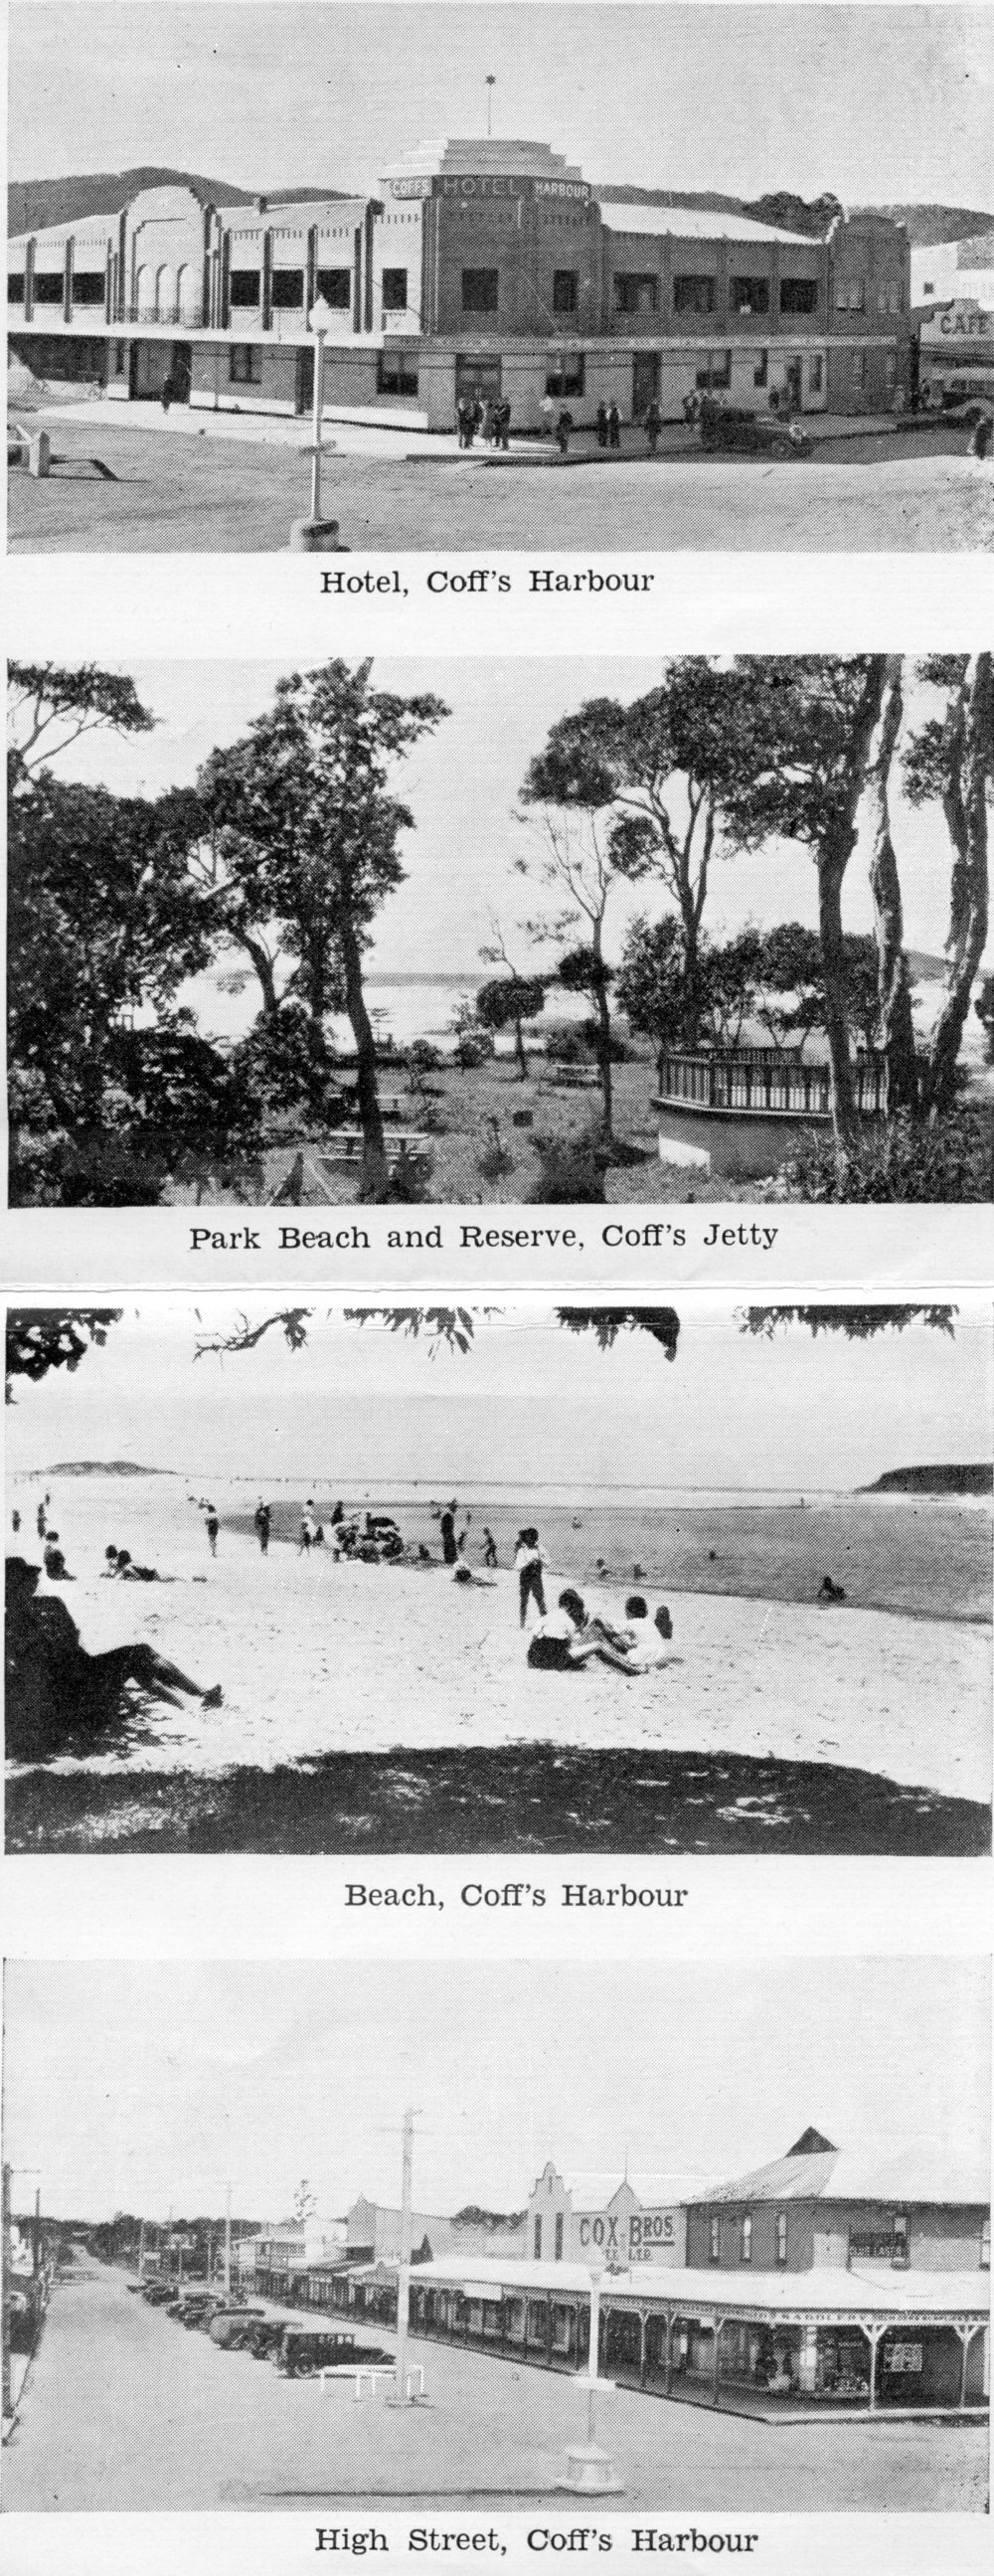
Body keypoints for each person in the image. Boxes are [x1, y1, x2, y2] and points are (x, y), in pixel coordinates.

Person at [5, 1558, 223, 1762]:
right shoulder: (20, 1618)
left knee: (140, 1653)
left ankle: (196, 1695)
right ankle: (192, 1702)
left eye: (31, 1578)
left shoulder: (49, 1604)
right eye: (25, 1579)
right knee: (137, 1657)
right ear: (13, 1587)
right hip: (64, 1686)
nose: (33, 1582)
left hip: (82, 1669)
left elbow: (70, 1638)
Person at [515, 1527, 549, 1627]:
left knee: (540, 1600)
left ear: (535, 1538)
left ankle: (545, 1623)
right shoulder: (522, 1550)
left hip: (536, 1577)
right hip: (524, 1577)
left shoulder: (540, 1548)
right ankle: (522, 1623)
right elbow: (517, 1566)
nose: (530, 1541)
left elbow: (548, 1563)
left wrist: (540, 1560)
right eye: (529, 1538)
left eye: (533, 1539)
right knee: (524, 1600)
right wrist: (528, 1563)